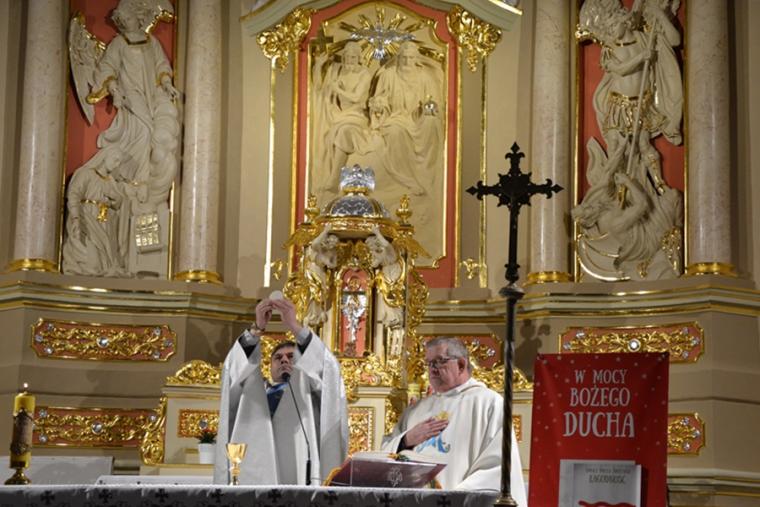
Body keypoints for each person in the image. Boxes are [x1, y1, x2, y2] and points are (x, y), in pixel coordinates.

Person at [214, 297, 348, 485]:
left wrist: (295, 327)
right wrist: (256, 329)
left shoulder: (310, 391)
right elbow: (233, 372)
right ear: (269, 366)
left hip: (298, 466)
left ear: (303, 362)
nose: (284, 360)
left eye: (291, 356)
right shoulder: (251, 393)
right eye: (278, 358)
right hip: (257, 469)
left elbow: (329, 370)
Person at [381, 337, 527, 502]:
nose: (432, 369)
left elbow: (497, 466)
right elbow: (383, 456)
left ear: (461, 365)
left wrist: (453, 499)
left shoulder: (488, 403)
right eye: (429, 363)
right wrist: (406, 440)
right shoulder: (416, 410)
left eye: (439, 362)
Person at [62, 148, 131, 277]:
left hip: (105, 221)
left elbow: (118, 204)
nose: (117, 165)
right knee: (92, 258)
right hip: (87, 217)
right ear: (105, 157)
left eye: (119, 162)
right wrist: (75, 218)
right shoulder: (86, 173)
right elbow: (73, 194)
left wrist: (115, 198)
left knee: (106, 255)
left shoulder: (110, 181)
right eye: (115, 160)